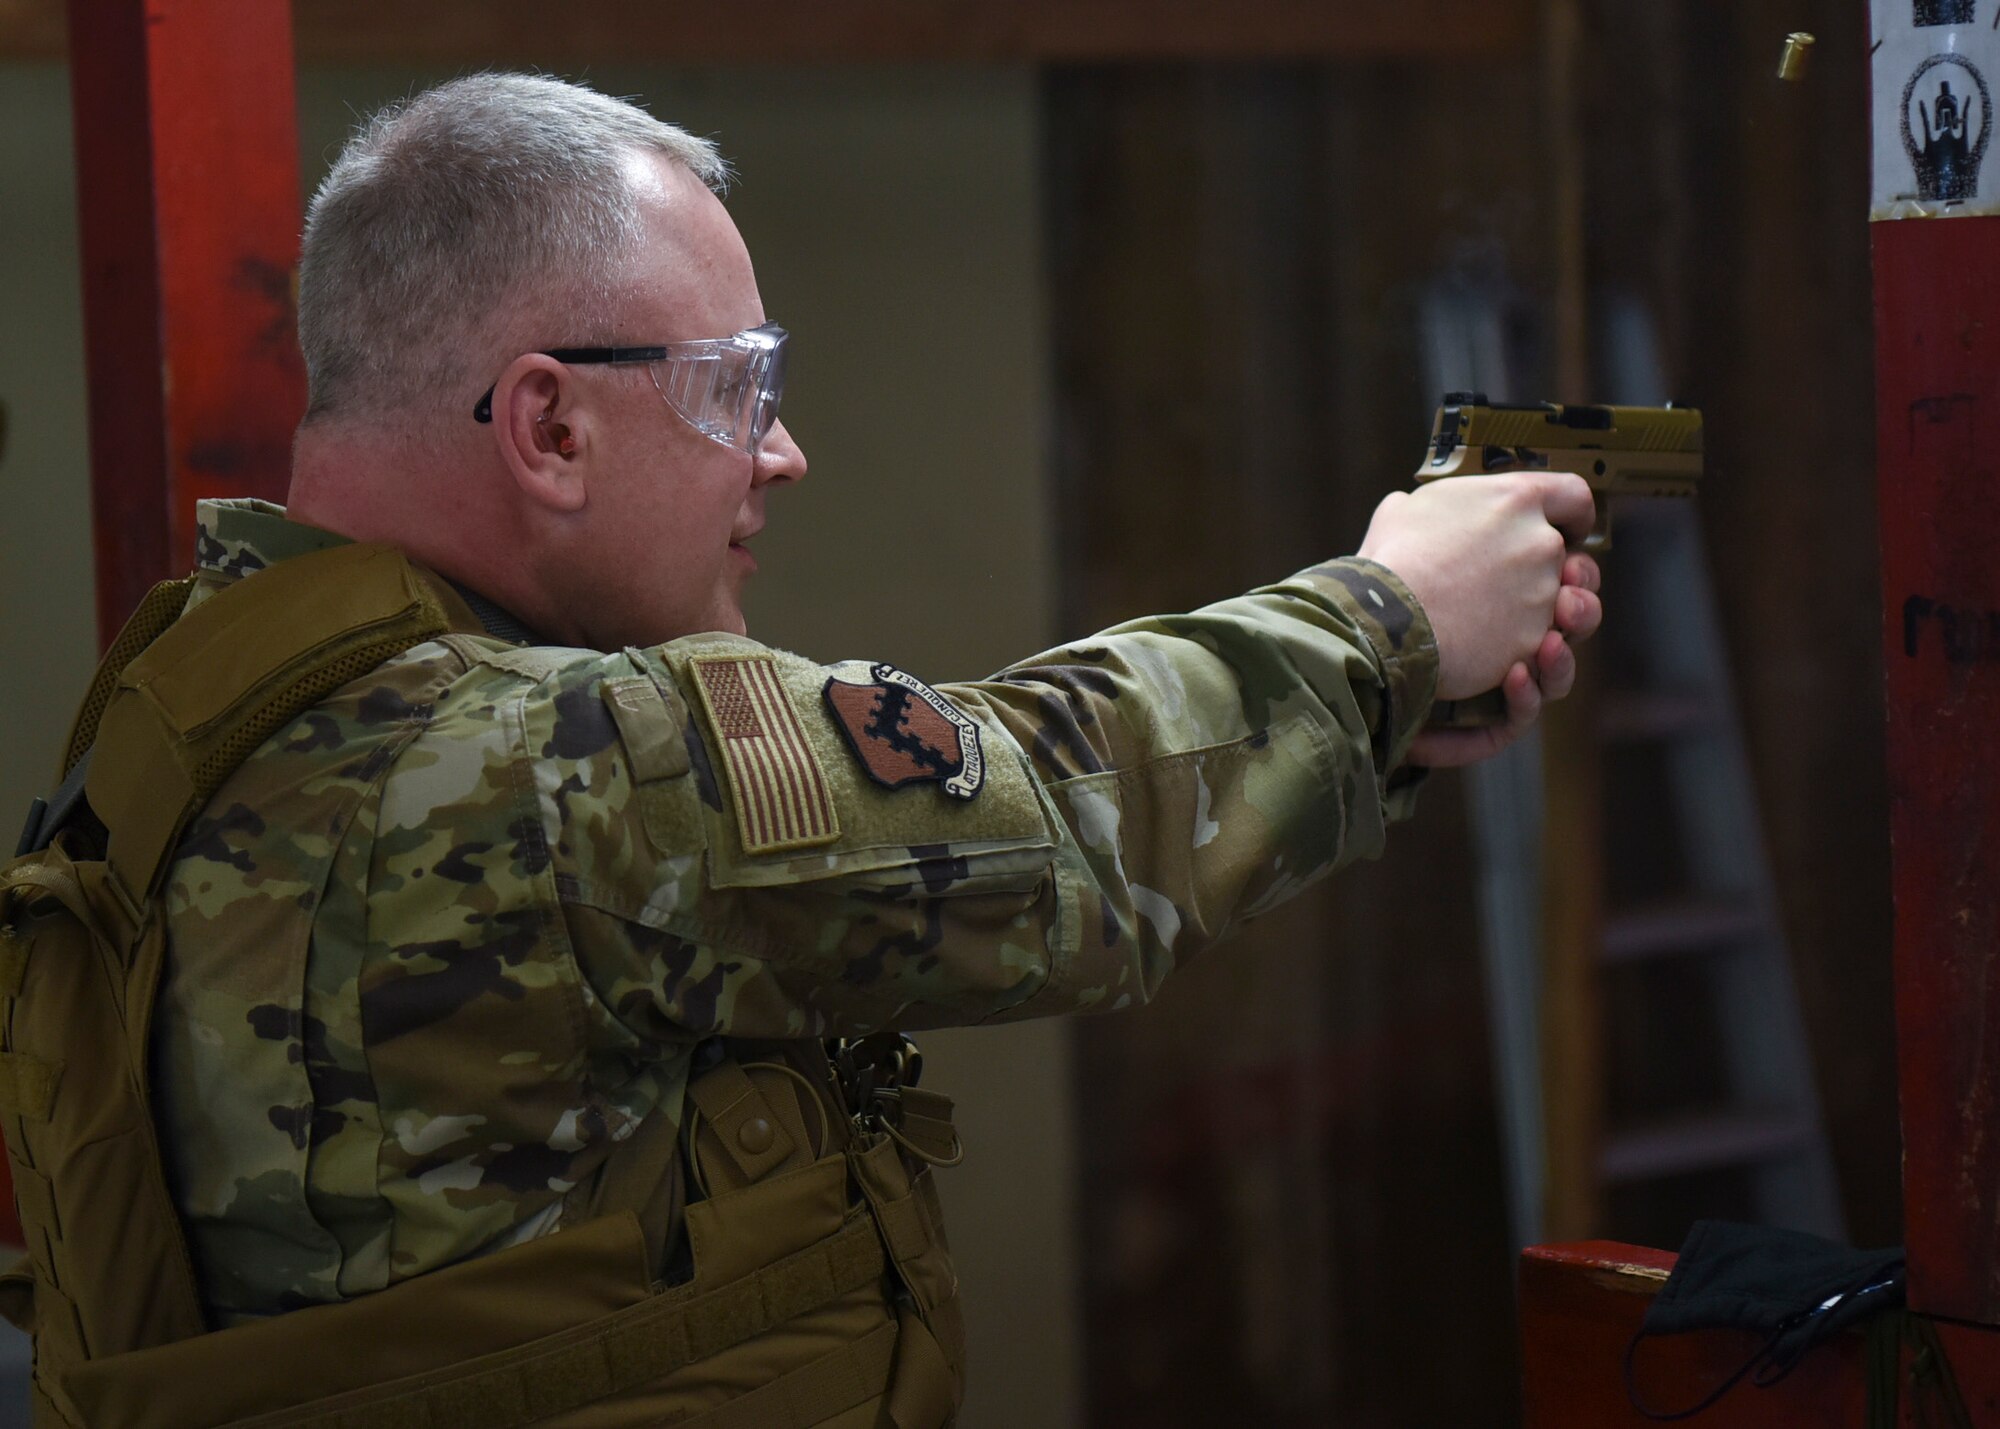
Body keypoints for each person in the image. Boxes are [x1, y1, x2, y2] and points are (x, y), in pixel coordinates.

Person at [13, 73, 1600, 1426]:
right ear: (549, 426)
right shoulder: (561, 762)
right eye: (738, 385)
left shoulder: (177, 721)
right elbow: (1048, 816)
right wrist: (1390, 618)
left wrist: (1372, 713)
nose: (782, 450)